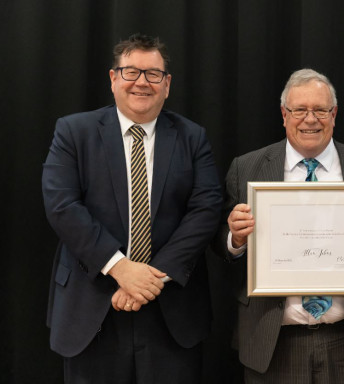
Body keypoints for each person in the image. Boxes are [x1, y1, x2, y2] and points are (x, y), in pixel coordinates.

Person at [42, 33, 222, 383]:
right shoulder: (73, 131)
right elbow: (62, 205)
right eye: (130, 72)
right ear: (113, 79)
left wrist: (150, 279)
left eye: (153, 74)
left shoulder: (192, 136)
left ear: (166, 84)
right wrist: (121, 269)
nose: (142, 82)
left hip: (171, 312)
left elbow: (206, 209)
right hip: (92, 305)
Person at [217, 68, 344, 383]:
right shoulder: (246, 168)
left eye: (320, 110)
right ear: (284, 115)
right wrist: (235, 238)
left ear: (335, 114)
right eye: (300, 110)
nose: (310, 119)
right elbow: (221, 245)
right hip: (272, 342)